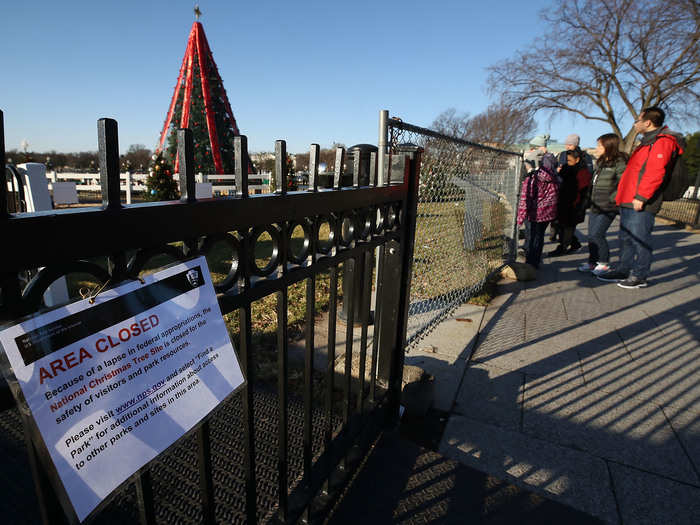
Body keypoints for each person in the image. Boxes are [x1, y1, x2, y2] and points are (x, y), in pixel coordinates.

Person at [596, 106, 683, 288]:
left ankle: (640, 275)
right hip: (629, 197)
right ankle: (623, 269)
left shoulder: (662, 141)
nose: (635, 123)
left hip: (641, 200)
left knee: (639, 238)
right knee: (626, 238)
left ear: (648, 122)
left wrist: (642, 196)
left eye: (638, 120)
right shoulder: (647, 141)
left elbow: (655, 171)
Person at [577, 134, 627, 275]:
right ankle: (593, 262)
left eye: (600, 145)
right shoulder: (600, 162)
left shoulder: (619, 162)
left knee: (597, 234)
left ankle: (604, 263)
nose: (597, 148)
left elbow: (623, 183)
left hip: (608, 206)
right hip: (595, 204)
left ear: (609, 146)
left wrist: (613, 198)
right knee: (591, 236)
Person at [517, 154, 559, 268]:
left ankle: (530, 263)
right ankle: (535, 261)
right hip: (548, 214)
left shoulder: (533, 178)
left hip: (534, 214)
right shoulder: (555, 177)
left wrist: (519, 219)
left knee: (531, 237)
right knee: (539, 237)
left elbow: (525, 199)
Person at [549, 148, 591, 256]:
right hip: (564, 202)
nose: (567, 162)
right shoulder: (567, 168)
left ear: (577, 159)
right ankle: (574, 244)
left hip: (574, 205)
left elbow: (583, 190)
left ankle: (563, 247)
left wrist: (579, 205)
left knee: (567, 227)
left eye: (570, 160)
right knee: (561, 225)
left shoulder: (583, 172)